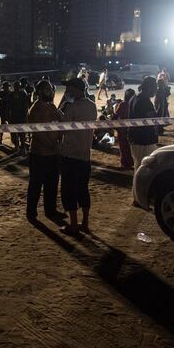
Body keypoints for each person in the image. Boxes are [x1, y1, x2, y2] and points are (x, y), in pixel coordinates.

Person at [58, 78, 97, 235]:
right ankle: (85, 223)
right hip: (85, 155)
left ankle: (73, 224)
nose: (67, 92)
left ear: (76, 89)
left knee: (69, 190)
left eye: (69, 89)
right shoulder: (92, 106)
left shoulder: (73, 107)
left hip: (70, 154)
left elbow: (64, 129)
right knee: (83, 189)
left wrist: (61, 112)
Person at [26, 80, 63, 221]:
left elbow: (61, 122)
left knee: (52, 184)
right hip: (39, 154)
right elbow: (38, 133)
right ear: (39, 92)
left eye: (51, 89)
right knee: (36, 185)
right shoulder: (35, 109)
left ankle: (50, 210)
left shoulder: (52, 107)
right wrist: (53, 146)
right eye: (47, 89)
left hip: (53, 153)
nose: (50, 92)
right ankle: (31, 213)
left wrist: (59, 141)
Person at [128, 77, 158, 169]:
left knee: (138, 165)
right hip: (144, 140)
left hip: (134, 137)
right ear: (149, 88)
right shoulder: (145, 101)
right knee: (145, 168)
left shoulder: (134, 98)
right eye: (155, 88)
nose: (155, 91)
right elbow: (154, 119)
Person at [114, 88, 136, 170]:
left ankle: (126, 163)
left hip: (123, 129)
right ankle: (132, 162)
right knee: (131, 147)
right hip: (133, 129)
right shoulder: (135, 104)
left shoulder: (123, 104)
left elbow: (116, 115)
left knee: (123, 147)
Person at [9, 81, 30, 153]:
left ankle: (23, 147)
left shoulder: (23, 94)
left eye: (18, 86)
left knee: (22, 133)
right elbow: (8, 106)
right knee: (14, 133)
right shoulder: (11, 95)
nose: (17, 88)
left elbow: (26, 105)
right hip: (13, 116)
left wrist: (25, 114)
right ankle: (16, 146)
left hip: (21, 116)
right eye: (16, 86)